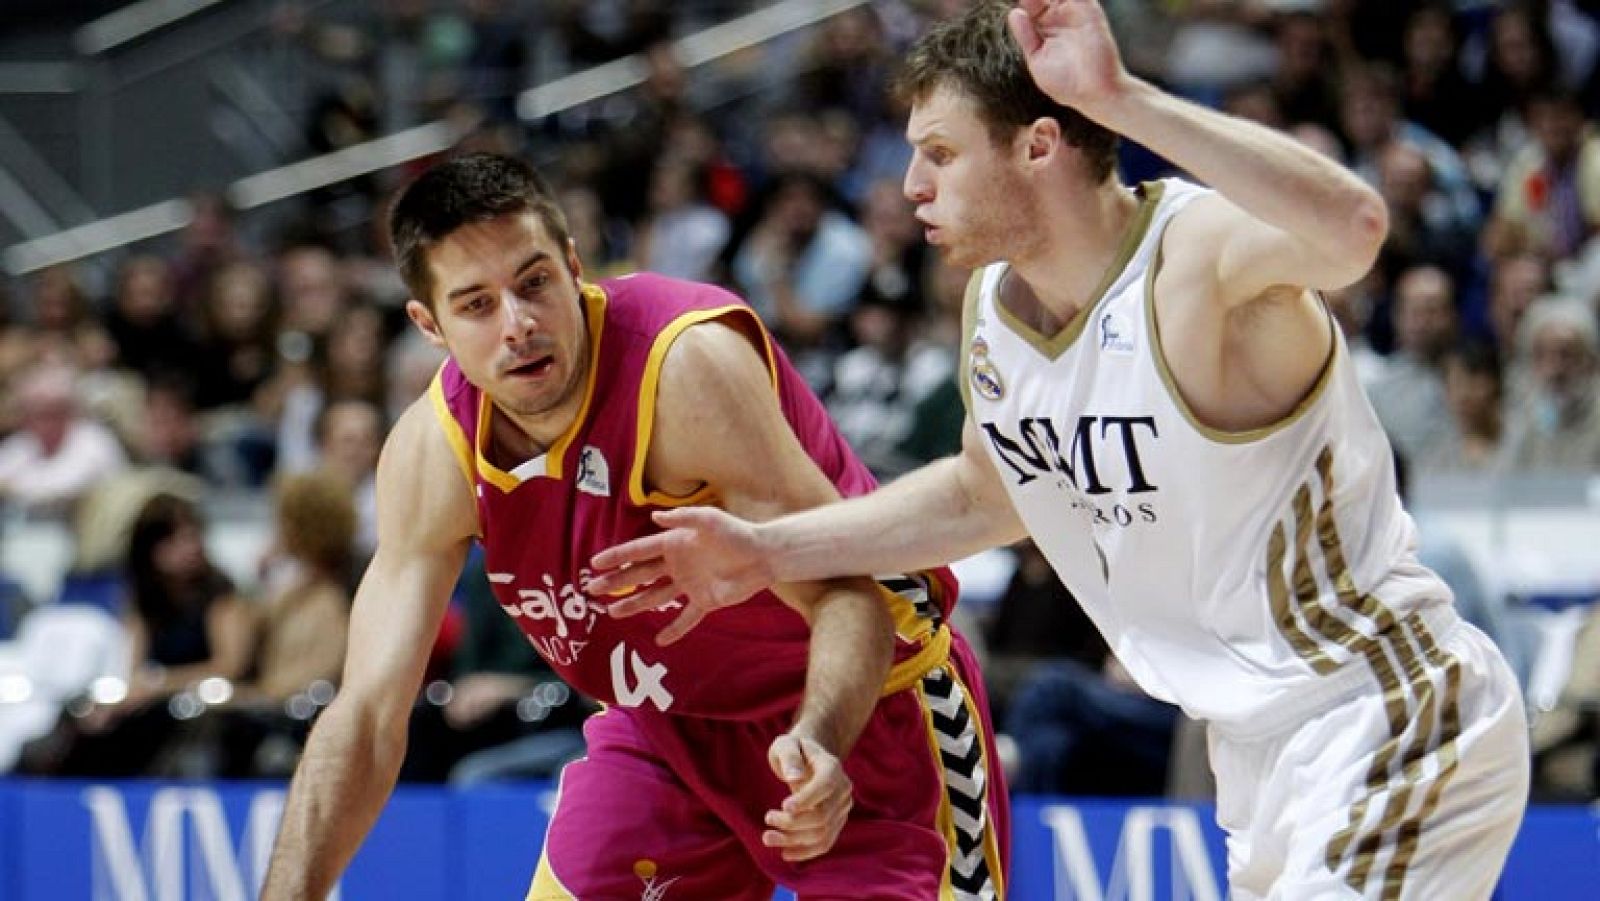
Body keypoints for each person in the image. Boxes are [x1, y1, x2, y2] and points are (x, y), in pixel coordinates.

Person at [593, 2, 1530, 897]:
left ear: (1040, 144)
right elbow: (982, 495)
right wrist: (768, 554)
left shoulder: (1190, 258)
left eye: (941, 155)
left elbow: (1353, 227)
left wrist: (1122, 99)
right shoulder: (992, 309)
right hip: (1249, 747)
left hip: (1380, 708)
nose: (912, 186)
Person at [261, 152, 1007, 900]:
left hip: (866, 711)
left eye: (534, 283)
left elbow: (848, 594)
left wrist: (818, 738)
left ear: (574, 265)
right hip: (667, 731)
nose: (518, 325)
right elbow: (365, 715)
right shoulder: (434, 453)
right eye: (477, 305)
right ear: (429, 324)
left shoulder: (682, 369)